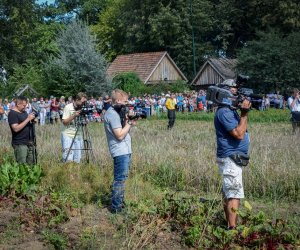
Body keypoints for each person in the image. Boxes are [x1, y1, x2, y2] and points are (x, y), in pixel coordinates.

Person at [214, 81, 251, 230]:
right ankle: (232, 229)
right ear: (225, 93)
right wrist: (244, 114)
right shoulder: (224, 112)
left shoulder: (229, 110)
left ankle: (230, 224)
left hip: (233, 158)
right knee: (233, 194)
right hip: (231, 158)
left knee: (229, 192)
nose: (237, 95)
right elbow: (239, 134)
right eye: (234, 92)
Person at [104, 89, 136, 213]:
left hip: (125, 149)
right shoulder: (112, 114)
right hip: (120, 151)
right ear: (117, 100)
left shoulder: (117, 112)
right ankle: (116, 208)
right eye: (125, 101)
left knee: (122, 178)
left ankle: (120, 203)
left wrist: (126, 120)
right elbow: (119, 135)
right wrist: (129, 123)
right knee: (119, 180)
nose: (127, 104)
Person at [8, 96, 36, 165]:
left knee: (31, 164)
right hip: (20, 143)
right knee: (22, 166)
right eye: (23, 105)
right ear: (18, 104)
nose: (25, 107)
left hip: (29, 142)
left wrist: (32, 121)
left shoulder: (24, 112)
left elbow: (26, 123)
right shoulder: (12, 113)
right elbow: (16, 128)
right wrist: (27, 119)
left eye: (26, 105)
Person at [61, 92, 87, 163]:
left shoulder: (82, 108)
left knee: (77, 158)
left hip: (78, 135)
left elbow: (83, 122)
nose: (83, 104)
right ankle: (68, 172)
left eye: (84, 102)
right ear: (77, 99)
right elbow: (64, 122)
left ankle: (76, 173)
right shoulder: (68, 107)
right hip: (68, 135)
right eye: (82, 102)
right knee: (68, 157)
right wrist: (74, 116)